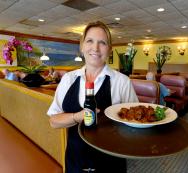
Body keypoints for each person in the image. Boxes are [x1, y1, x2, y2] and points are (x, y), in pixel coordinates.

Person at [47, 21, 138, 173]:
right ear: (82, 46)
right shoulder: (68, 79)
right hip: (75, 162)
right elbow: (53, 121)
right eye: (90, 41)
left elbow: (135, 123)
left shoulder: (122, 82)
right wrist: (77, 116)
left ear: (109, 50)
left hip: (111, 164)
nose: (95, 48)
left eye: (102, 43)